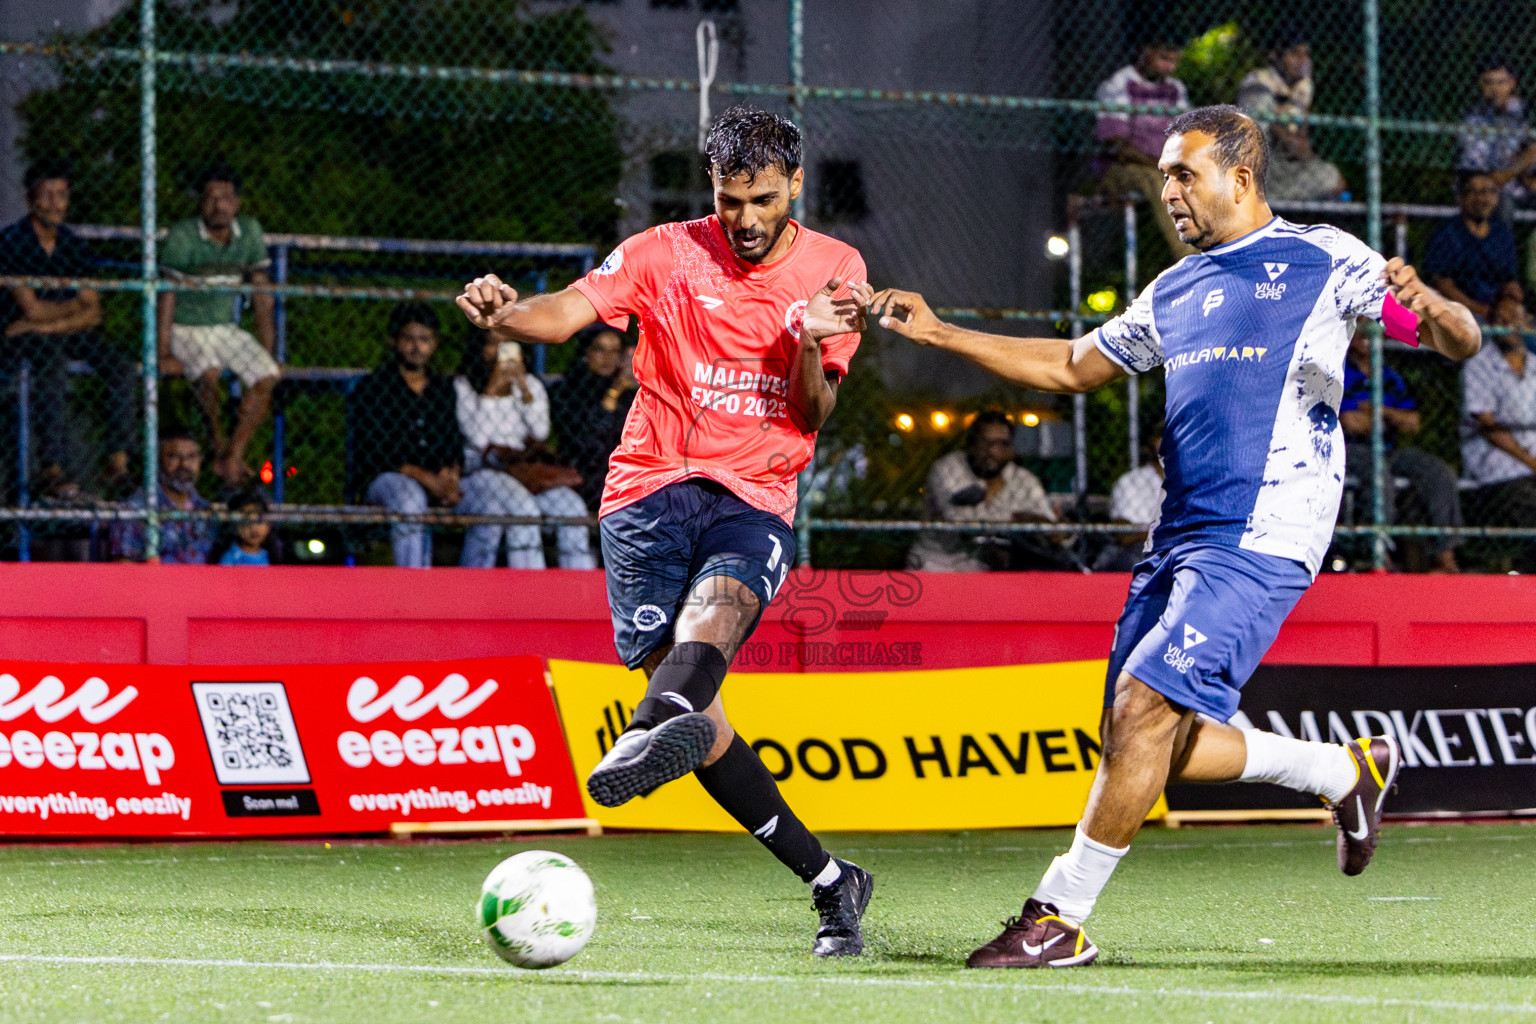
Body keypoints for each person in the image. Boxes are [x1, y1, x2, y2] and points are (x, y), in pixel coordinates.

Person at [869, 105, 1480, 968]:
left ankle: (1057, 917)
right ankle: (1345, 773)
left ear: (1240, 177)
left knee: (1145, 709)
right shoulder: (1175, 287)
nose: (1168, 191)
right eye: (1162, 175)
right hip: (1179, 533)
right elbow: (1072, 367)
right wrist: (938, 332)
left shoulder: (1325, 259)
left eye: (1182, 174)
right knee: (1139, 741)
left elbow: (1459, 340)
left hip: (1265, 529)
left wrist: (1437, 307)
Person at [457, 105, 875, 957]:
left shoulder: (837, 268)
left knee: (714, 618)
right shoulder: (662, 252)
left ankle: (654, 719)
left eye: (763, 200)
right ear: (711, 192)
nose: (747, 220)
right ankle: (833, 881)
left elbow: (813, 410)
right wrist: (506, 315)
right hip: (647, 493)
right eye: (730, 202)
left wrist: (804, 343)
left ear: (795, 185)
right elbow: (568, 313)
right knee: (702, 718)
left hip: (752, 491)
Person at [0, 159, 138, 499]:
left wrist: (48, 320)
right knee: (52, 362)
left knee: (121, 364)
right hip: (22, 338)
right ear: (31, 197)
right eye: (46, 195)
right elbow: (30, 306)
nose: (55, 204)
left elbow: (94, 312)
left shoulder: (74, 244)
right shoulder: (12, 241)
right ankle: (52, 469)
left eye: (61, 195)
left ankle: (118, 464)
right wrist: (66, 309)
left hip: (53, 330)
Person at [158, 163, 281, 486]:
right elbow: (166, 294)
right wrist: (162, 349)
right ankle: (217, 443)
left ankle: (233, 454)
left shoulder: (249, 231)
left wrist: (269, 350)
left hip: (224, 327)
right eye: (211, 198)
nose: (219, 205)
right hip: (186, 327)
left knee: (268, 374)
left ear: (237, 203)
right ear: (201, 202)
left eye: (226, 198)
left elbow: (262, 294)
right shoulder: (184, 235)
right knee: (208, 374)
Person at [454, 333, 594, 569]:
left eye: (506, 345)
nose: (499, 352)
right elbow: (478, 439)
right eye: (491, 344)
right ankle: (533, 589)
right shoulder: (464, 385)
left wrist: (523, 388)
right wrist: (492, 389)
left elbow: (540, 432)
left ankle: (579, 588)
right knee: (523, 510)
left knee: (573, 508)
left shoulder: (531, 385)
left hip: (523, 470)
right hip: (483, 470)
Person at [346, 302, 463, 568]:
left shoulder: (443, 388)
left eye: (424, 339)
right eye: (408, 338)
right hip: (388, 479)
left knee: (497, 499)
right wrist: (424, 478)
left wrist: (451, 475)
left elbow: (453, 438)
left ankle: (478, 591)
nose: (416, 347)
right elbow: (376, 451)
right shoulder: (374, 388)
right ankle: (414, 590)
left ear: (434, 344)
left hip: (437, 478)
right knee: (410, 499)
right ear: (393, 341)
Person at [1339, 330, 1463, 572]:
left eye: (1372, 330)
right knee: (1379, 476)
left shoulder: (1389, 376)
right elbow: (1351, 423)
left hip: (1389, 449)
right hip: (1351, 449)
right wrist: (1392, 418)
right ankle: (1379, 554)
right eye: (1361, 329)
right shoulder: (1340, 372)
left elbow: (1413, 423)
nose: (1366, 336)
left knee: (1438, 473)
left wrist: (1377, 411)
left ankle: (1445, 555)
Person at [906, 411, 1065, 572]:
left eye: (1002, 443)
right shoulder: (948, 468)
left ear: (1011, 448)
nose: (992, 451)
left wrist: (1046, 526)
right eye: (985, 442)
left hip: (988, 571)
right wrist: (1019, 521)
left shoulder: (1023, 480)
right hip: (938, 565)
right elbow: (960, 522)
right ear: (971, 443)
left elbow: (1053, 531)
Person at [1095, 36, 1195, 263]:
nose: (1169, 66)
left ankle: (1215, 248)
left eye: (1173, 60)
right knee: (1154, 179)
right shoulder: (1119, 84)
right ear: (1144, 51)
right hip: (1121, 168)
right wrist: (1162, 166)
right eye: (1163, 58)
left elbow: (1187, 138)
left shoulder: (1175, 89)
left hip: (1167, 168)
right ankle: (1190, 259)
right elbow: (1117, 144)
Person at [1237, 25, 1346, 202]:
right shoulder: (1258, 81)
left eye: (1306, 54)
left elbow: (1301, 125)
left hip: (1289, 161)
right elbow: (1260, 128)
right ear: (1276, 56)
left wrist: (1304, 148)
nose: (1302, 60)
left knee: (1334, 179)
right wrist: (1289, 140)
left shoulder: (1304, 85)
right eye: (1294, 54)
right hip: (1261, 161)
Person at [1461, 322, 1536, 570]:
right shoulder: (1479, 365)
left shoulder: (1534, 364)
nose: (1508, 327)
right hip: (1498, 468)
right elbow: (1488, 427)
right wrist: (1531, 463)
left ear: (1527, 322)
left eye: (1514, 319)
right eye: (1501, 321)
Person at [549, 325, 637, 510]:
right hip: (581, 474)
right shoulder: (565, 391)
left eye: (615, 351)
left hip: (622, 474)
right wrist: (613, 392)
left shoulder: (629, 395)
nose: (608, 358)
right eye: (600, 349)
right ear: (585, 352)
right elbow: (590, 441)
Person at [1423, 170, 1523, 323]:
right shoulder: (1448, 234)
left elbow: (1510, 281)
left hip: (1496, 312)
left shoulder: (1501, 234)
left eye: (1489, 191)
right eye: (1474, 192)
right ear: (1461, 198)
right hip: (1458, 313)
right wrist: (1483, 311)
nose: (1483, 199)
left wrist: (1509, 303)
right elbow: (1442, 285)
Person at [108, 428, 216, 564]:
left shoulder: (205, 510)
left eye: (192, 457)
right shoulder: (135, 509)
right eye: (174, 456)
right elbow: (123, 566)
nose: (184, 464)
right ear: (157, 461)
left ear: (200, 461)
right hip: (153, 584)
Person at [1456, 55, 1536, 214]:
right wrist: (1518, 166)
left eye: (1501, 82)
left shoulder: (1527, 113)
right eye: (1488, 83)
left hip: (1528, 187)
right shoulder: (1474, 119)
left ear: (1513, 83)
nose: (1495, 89)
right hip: (1496, 191)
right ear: (1480, 85)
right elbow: (1478, 167)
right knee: (1500, 203)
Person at [1092, 425, 1165, 573]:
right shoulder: (1131, 481)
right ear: (1153, 443)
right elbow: (1126, 536)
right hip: (1141, 552)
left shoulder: (1200, 481)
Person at [210, 488, 280, 566]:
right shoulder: (230, 559)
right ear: (234, 526)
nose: (254, 528)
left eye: (259, 520)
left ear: (269, 524)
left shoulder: (270, 557)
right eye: (246, 521)